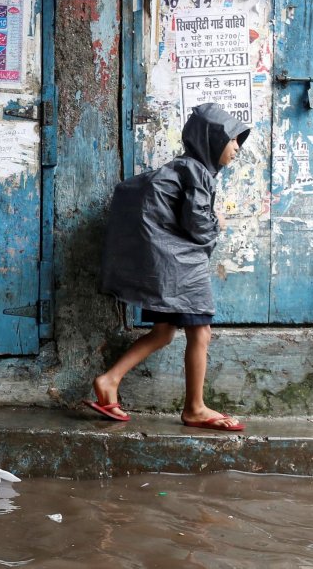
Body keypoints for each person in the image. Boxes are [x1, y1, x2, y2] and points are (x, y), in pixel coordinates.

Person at [87, 103, 249, 431]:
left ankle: (109, 379)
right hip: (182, 270)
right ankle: (195, 408)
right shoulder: (199, 173)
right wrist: (217, 222)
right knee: (200, 333)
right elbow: (197, 225)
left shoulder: (181, 167)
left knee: (162, 332)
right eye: (232, 140)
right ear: (211, 140)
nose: (236, 148)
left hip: (165, 268)